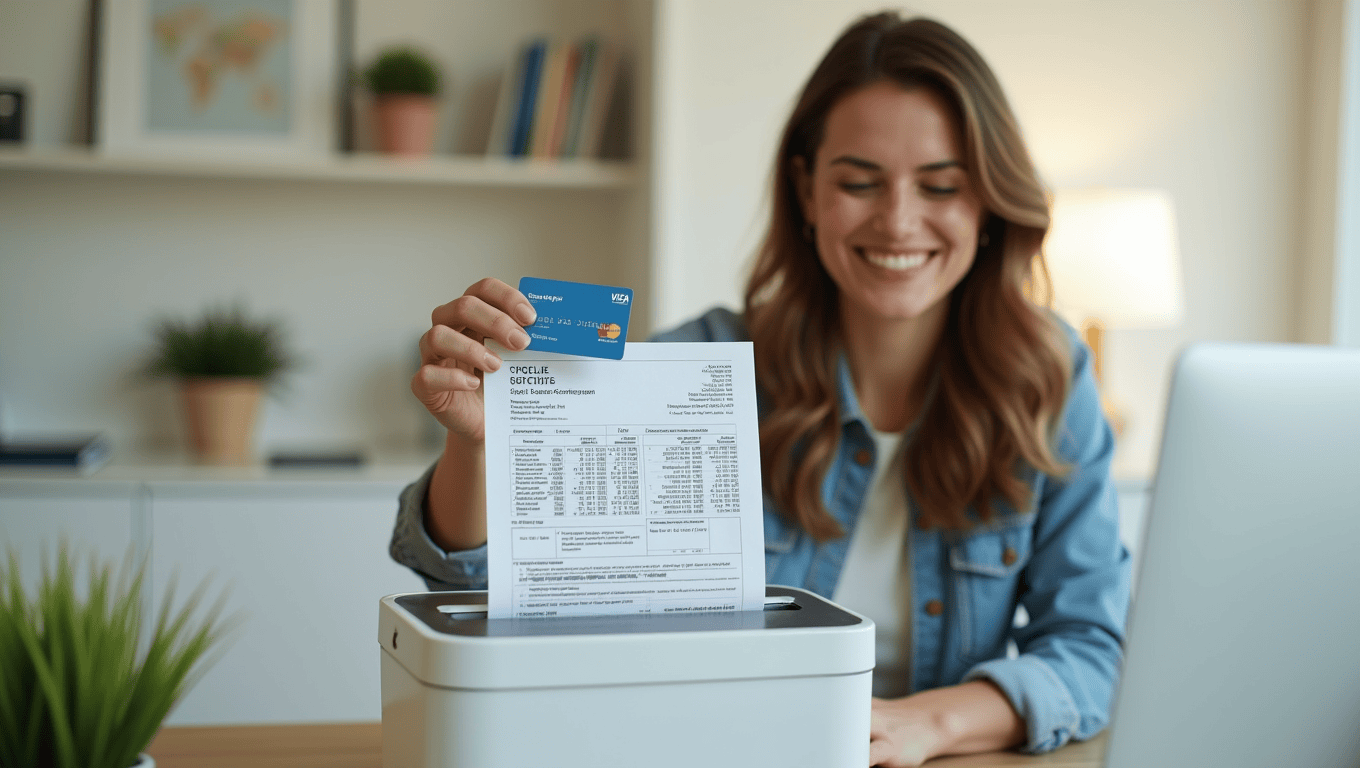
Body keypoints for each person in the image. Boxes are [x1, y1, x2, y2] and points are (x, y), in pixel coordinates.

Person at [390, 12, 1129, 767]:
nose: (900, 221)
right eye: (859, 181)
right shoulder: (701, 365)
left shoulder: (1049, 377)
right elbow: (467, 583)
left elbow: (1091, 648)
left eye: (941, 185)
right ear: (807, 190)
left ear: (989, 204)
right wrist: (481, 443)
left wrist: (929, 725)